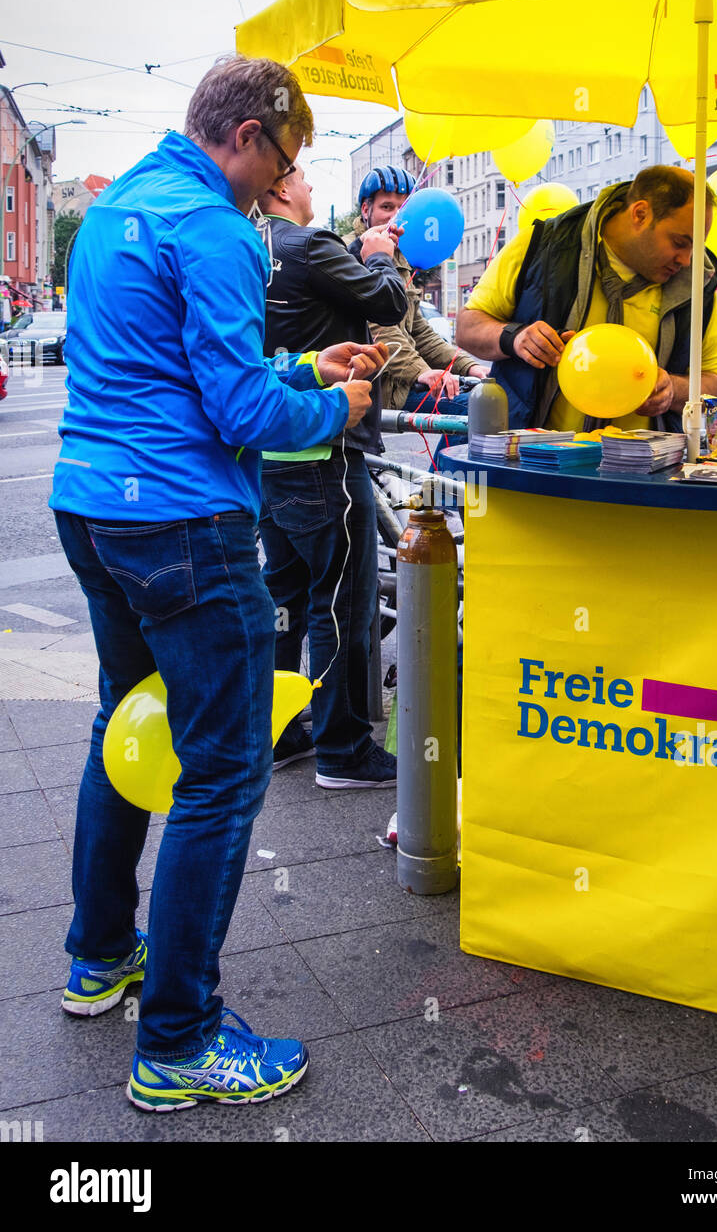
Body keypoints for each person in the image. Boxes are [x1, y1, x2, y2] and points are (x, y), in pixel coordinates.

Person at [50, 54, 384, 1113]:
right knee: (224, 771)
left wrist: (301, 369)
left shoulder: (120, 208)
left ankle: (100, 956)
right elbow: (242, 421)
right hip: (182, 525)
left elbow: (181, 371)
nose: (282, 182)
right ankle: (182, 1041)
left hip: (92, 501)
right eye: (283, 160)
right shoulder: (218, 229)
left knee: (122, 719)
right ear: (244, 136)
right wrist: (336, 411)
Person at [255, 164, 408, 788]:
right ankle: (342, 747)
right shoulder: (310, 246)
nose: (314, 192)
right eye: (306, 180)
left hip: (270, 450)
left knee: (285, 596)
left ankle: (280, 730)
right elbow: (389, 302)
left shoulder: (249, 248)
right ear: (282, 186)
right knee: (341, 599)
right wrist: (379, 255)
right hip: (324, 449)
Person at [456, 165, 717, 432]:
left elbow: (715, 382)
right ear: (640, 214)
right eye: (680, 242)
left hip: (640, 471)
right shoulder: (543, 246)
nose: (687, 259)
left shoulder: (697, 283)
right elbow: (467, 328)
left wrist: (674, 390)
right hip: (537, 464)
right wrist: (515, 338)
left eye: (696, 246)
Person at [346, 167, 488, 437]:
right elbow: (380, 330)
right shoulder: (353, 253)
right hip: (375, 386)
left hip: (399, 380)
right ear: (366, 210)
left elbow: (419, 331)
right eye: (387, 206)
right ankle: (444, 480)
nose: (396, 217)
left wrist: (468, 365)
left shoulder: (400, 256)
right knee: (474, 409)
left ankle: (442, 478)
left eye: (403, 209)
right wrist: (423, 373)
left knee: (485, 400)